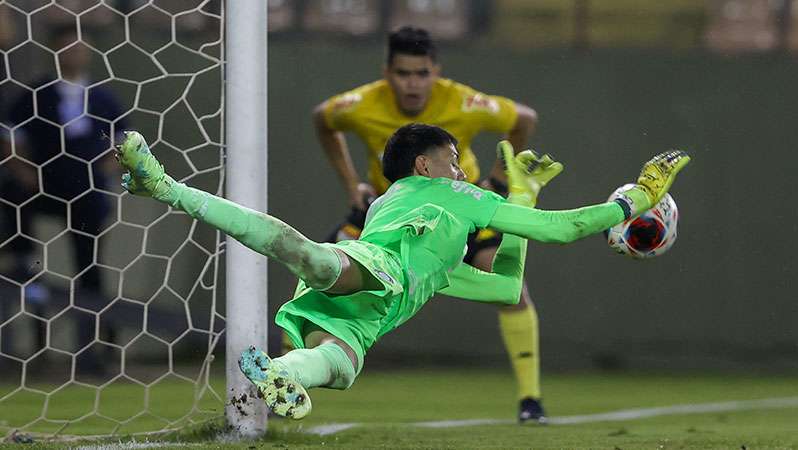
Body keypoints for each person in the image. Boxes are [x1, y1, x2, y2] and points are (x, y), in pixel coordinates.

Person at [115, 124, 689, 420]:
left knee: (335, 364)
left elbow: (507, 285)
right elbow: (567, 231)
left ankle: (282, 374)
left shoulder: (416, 223)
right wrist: (634, 198)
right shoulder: (451, 196)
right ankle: (163, 185)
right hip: (376, 270)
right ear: (427, 165)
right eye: (454, 158)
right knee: (306, 255)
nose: (463, 168)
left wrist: (523, 195)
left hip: (386, 298)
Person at [313, 26, 547, 423]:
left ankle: (531, 400)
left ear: (436, 71)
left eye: (422, 73)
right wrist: (352, 184)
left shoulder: (463, 102)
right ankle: (281, 386)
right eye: (403, 73)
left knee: (511, 289)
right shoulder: (360, 104)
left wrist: (498, 179)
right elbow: (323, 119)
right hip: (390, 215)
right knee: (319, 275)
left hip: (459, 210)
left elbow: (524, 119)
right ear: (387, 72)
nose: (413, 83)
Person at [0, 24, 126, 372]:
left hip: (85, 190)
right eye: (65, 47)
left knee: (89, 266)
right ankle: (23, 260)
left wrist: (101, 172)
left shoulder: (103, 98)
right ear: (52, 51)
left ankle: (96, 350)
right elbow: (10, 138)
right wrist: (24, 171)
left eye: (79, 46)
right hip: (44, 186)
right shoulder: (34, 95)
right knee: (11, 193)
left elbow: (122, 145)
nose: (72, 53)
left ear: (88, 51)